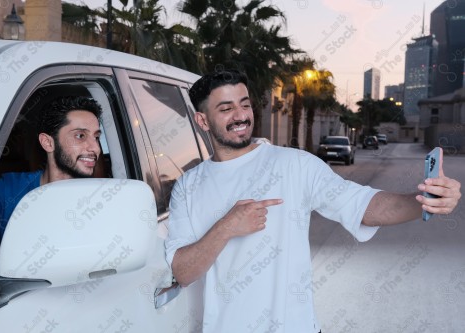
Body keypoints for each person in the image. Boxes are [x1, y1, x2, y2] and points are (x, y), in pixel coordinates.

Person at [165, 70, 462, 333]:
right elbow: (183, 271)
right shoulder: (188, 187)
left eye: (244, 104)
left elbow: (365, 206)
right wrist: (227, 226)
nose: (241, 116)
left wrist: (423, 200)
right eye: (226, 109)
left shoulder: (295, 164)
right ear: (202, 120)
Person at [0, 96, 103, 242]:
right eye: (80, 136)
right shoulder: (7, 191)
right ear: (48, 143)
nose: (95, 148)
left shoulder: (99, 202)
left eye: (96, 137)